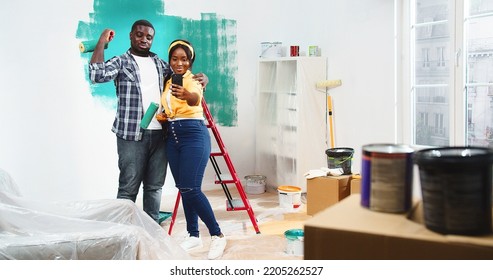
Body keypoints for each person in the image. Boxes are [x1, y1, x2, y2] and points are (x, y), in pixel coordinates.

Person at [88, 20, 208, 224]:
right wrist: (101, 41)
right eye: (139, 35)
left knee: (154, 186)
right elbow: (96, 75)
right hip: (131, 134)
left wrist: (204, 78)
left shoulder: (160, 64)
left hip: (161, 134)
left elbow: (183, 74)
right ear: (131, 35)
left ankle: (152, 227)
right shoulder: (121, 61)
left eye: (148, 37)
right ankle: (123, 230)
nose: (144, 39)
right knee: (128, 186)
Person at [161, 39, 227, 260]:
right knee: (184, 188)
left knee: (191, 188)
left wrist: (188, 96)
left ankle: (217, 235)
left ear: (190, 61)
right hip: (173, 137)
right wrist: (165, 114)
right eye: (175, 59)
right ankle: (193, 234)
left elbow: (195, 98)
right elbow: (169, 107)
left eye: (184, 59)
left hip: (193, 135)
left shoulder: (193, 80)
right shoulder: (168, 80)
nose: (179, 63)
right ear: (170, 59)